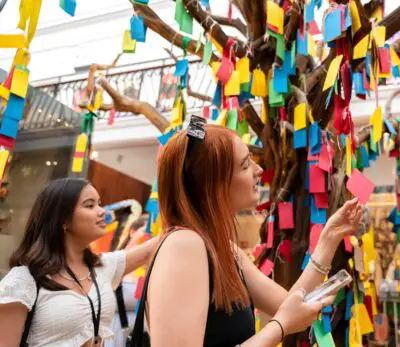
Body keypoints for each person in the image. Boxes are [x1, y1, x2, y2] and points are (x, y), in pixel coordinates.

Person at [142, 116, 363, 346]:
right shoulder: (184, 245)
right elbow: (286, 317)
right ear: (213, 184)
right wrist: (279, 327)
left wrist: (329, 238)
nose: (259, 170)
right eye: (246, 165)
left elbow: (293, 304)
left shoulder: (224, 250)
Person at [0, 178, 159, 347]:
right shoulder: (24, 280)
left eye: (99, 204)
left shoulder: (102, 266)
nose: (101, 212)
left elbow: (151, 248)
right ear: (63, 219)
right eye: (89, 205)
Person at [107, 216, 149, 347]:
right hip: (116, 334)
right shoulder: (112, 262)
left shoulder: (156, 266)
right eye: (145, 230)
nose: (148, 236)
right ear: (132, 231)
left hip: (144, 338)